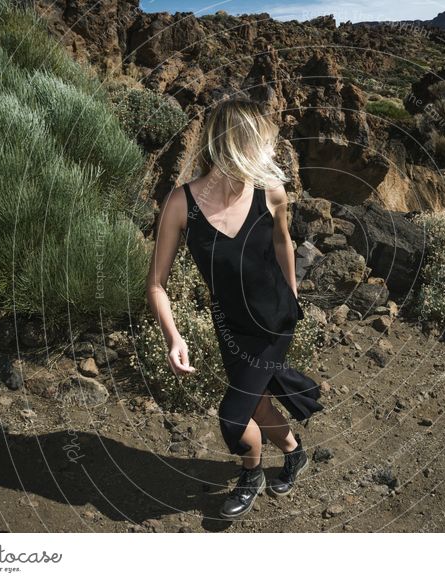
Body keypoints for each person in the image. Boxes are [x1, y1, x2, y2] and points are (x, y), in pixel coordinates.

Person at [145, 98, 324, 520]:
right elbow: (156, 284)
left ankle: (251, 474)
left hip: (275, 320)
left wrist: (293, 297)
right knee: (256, 403)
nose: (268, 150)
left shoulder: (270, 193)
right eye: (261, 140)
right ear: (239, 143)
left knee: (232, 415)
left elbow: (284, 242)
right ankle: (295, 453)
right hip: (231, 326)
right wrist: (174, 338)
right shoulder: (180, 204)